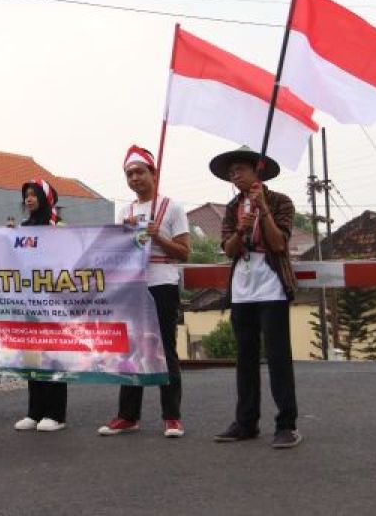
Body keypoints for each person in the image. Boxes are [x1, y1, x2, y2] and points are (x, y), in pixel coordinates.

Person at [210, 147, 301, 449]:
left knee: (277, 358)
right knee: (245, 359)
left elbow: (279, 243)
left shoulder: (280, 201)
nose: (235, 175)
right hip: (242, 289)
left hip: (271, 286)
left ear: (256, 170)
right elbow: (229, 249)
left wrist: (263, 212)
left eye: (240, 169)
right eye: (231, 171)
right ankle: (246, 422)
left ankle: (287, 424)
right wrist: (241, 229)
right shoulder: (232, 206)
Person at [99, 146, 189, 438]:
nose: (135, 178)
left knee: (165, 347)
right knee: (130, 348)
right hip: (132, 285)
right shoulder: (125, 211)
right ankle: (128, 415)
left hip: (162, 282)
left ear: (154, 173)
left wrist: (158, 236)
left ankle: (172, 416)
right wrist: (123, 235)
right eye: (129, 174)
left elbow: (184, 253)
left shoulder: (172, 208)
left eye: (140, 172)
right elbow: (114, 252)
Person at [13, 178, 68, 433]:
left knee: (53, 354)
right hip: (28, 301)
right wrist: (8, 238)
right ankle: (34, 412)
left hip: (53, 302)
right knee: (32, 354)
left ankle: (55, 414)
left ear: (46, 199)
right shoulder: (23, 229)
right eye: (26, 195)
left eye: (34, 194)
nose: (29, 198)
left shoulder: (58, 228)